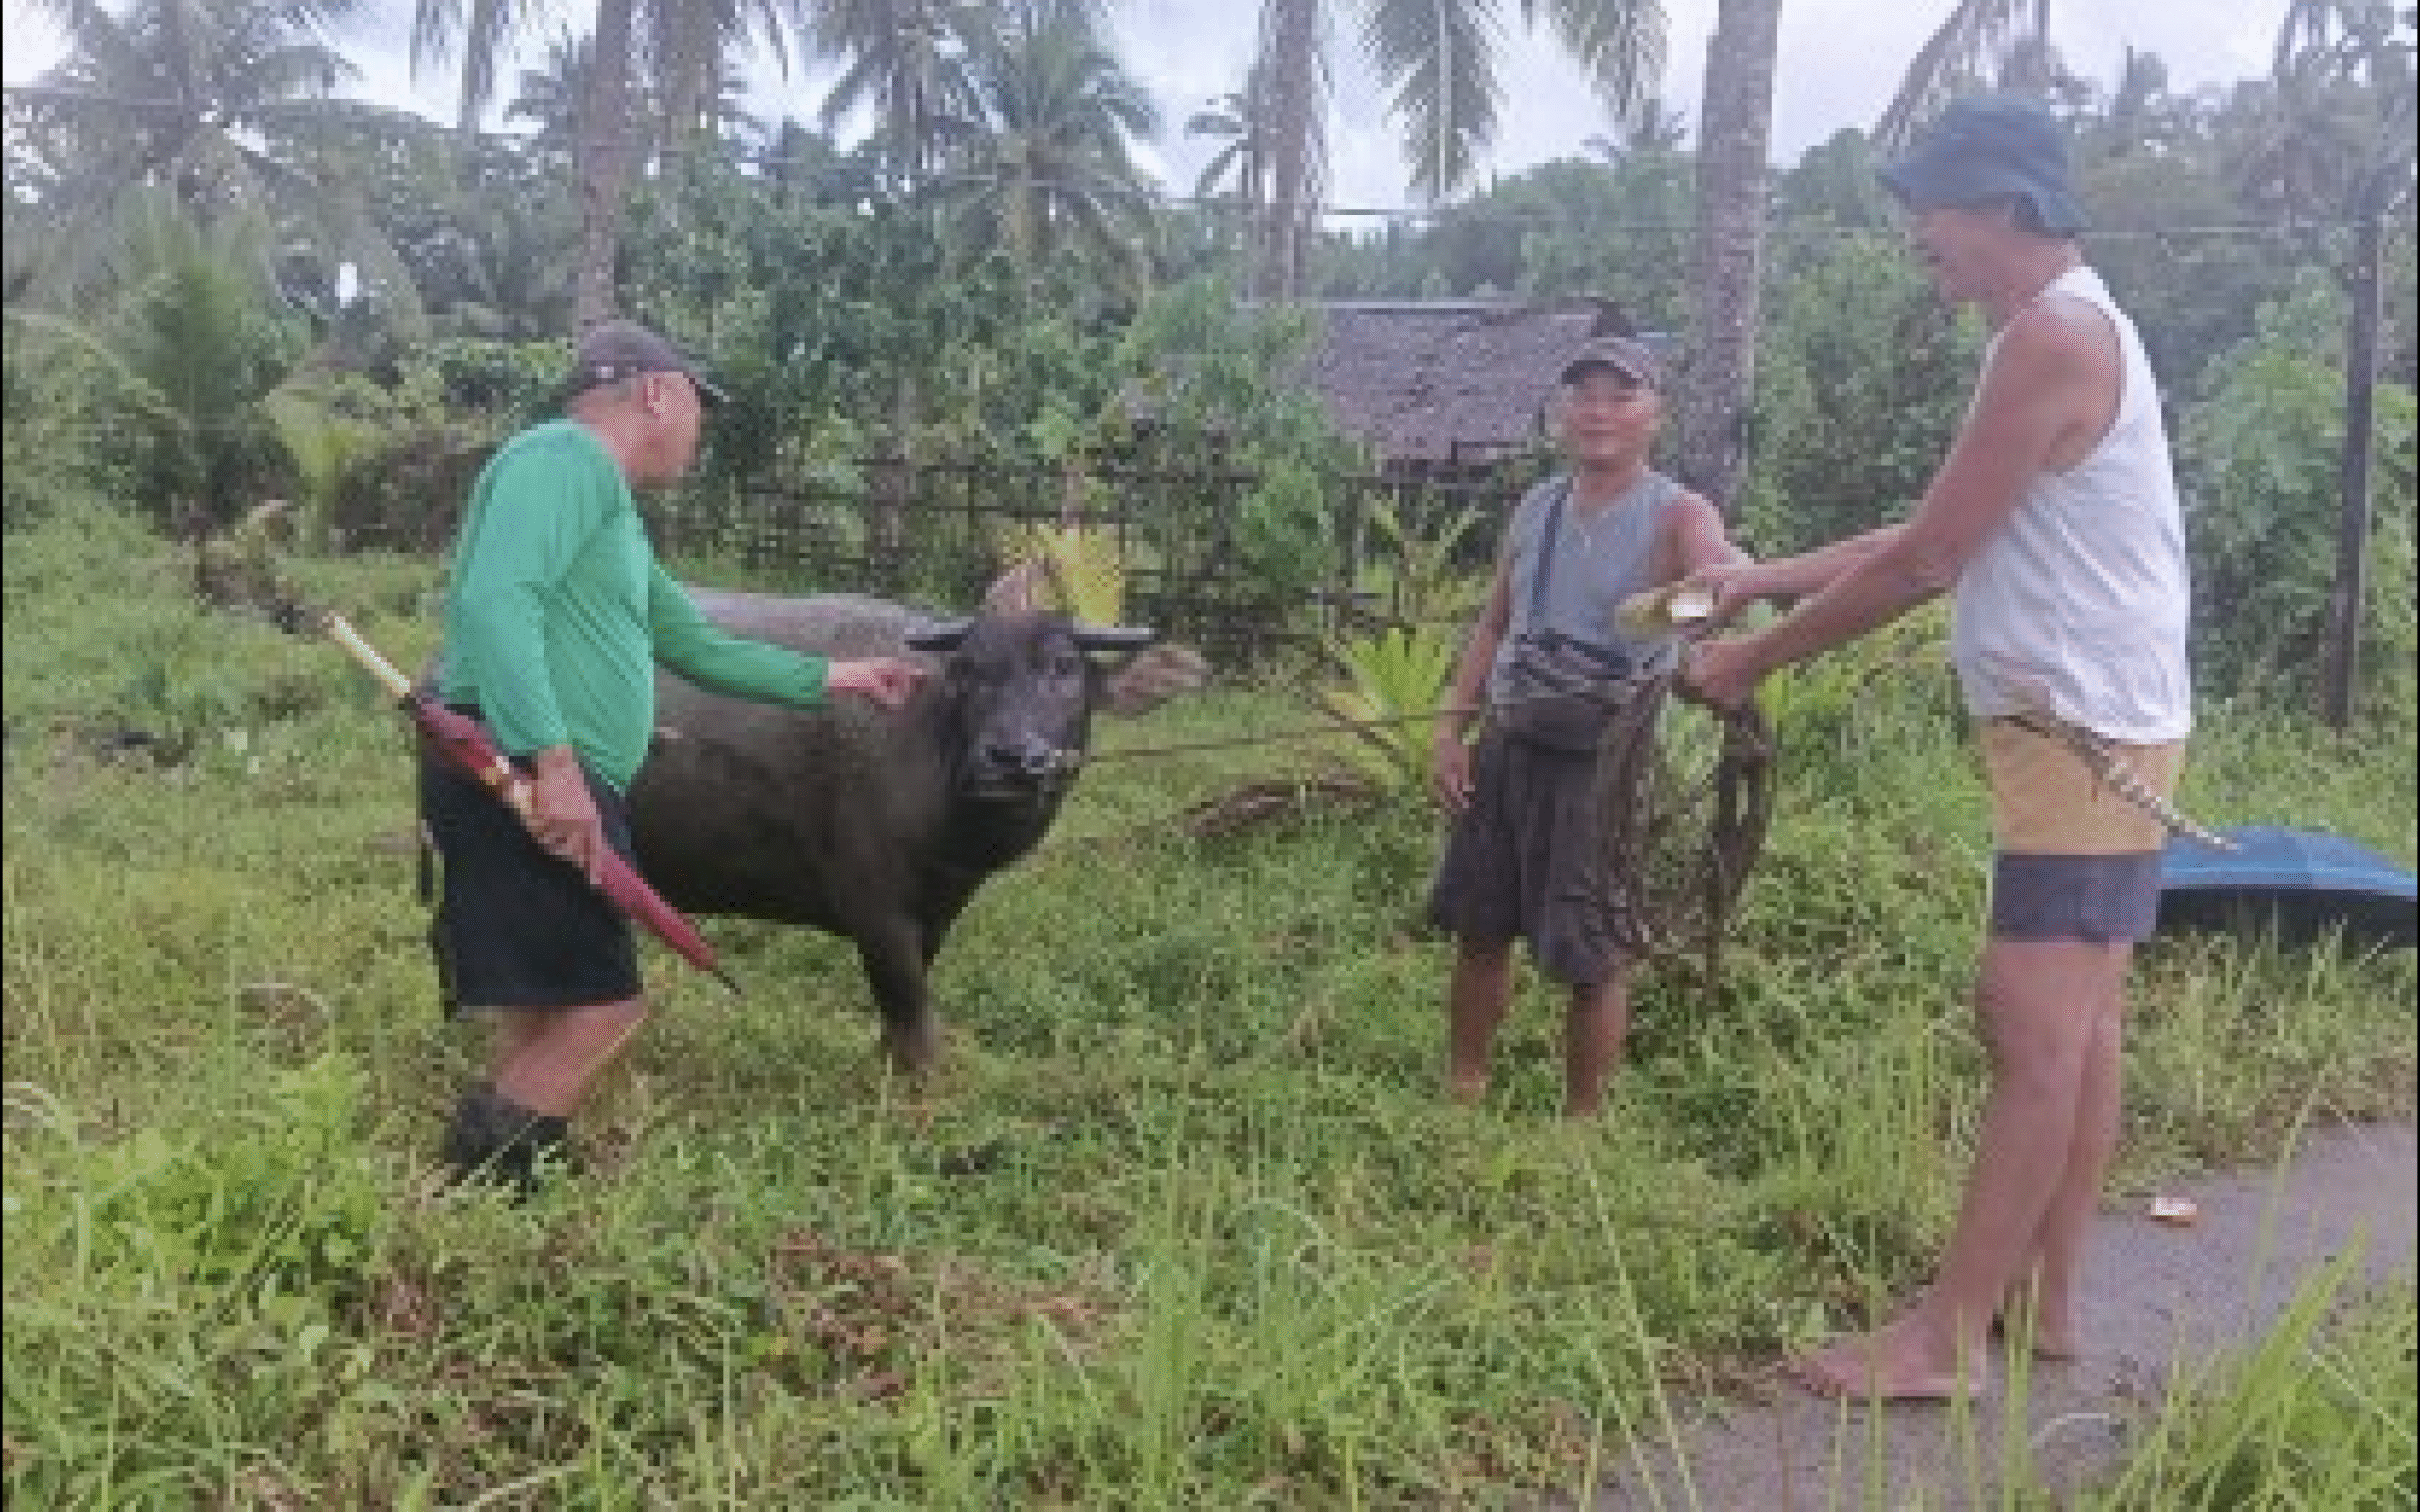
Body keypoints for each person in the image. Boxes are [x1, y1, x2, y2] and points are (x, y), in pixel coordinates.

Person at [1677, 94, 2195, 1400]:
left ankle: (1945, 1339)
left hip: (2079, 731)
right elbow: (1936, 530)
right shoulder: (2065, 328)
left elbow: (1928, 561)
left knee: (2028, 1029)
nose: (1920, 234)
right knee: (2080, 1023)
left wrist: (1748, 660)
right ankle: (2050, 1302)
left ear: (2009, 208)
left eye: (1935, 209)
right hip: (2106, 721)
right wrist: (1758, 582)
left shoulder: (2052, 340)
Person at [422, 319, 925, 1191]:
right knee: (608, 1006)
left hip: (542, 770)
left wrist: (840, 676)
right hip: (517, 768)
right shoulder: (563, 460)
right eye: (699, 405)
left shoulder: (610, 509)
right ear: (658, 392)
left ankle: (497, 1177)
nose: (701, 429)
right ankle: (483, 1181)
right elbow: (499, 603)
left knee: (552, 995)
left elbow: (693, 643)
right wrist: (557, 765)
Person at [1426, 335, 1748, 1119]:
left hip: (1601, 756)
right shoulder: (1537, 504)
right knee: (1479, 923)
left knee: (1593, 949)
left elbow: (1726, 583)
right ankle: (1465, 1087)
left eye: (1620, 395)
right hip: (1509, 739)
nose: (1599, 411)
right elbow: (1495, 623)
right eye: (1584, 395)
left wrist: (1678, 616)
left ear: (1654, 416)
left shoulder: (1676, 511)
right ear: (1562, 413)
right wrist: (1451, 726)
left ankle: (1583, 1122)